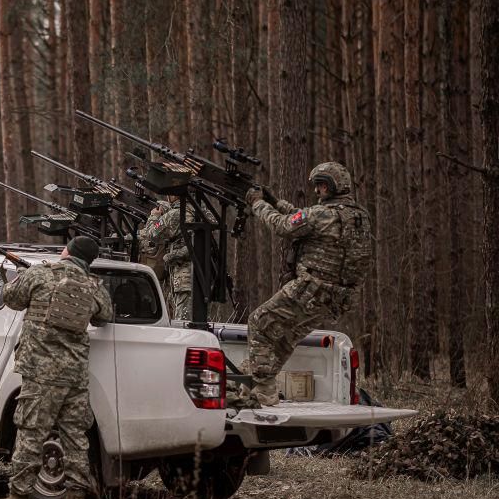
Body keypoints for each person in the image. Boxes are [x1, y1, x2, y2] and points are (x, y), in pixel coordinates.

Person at [240, 162, 372, 407]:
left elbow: (285, 225)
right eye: (317, 185)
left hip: (310, 290)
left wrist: (257, 203)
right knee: (285, 337)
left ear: (335, 186)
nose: (318, 190)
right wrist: (276, 201)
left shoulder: (322, 215)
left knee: (258, 322)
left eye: (322, 185)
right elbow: (303, 217)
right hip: (338, 298)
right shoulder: (358, 216)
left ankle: (264, 389)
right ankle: (259, 384)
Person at [0, 236, 113, 499]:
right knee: (75, 436)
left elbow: (10, 299)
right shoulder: (93, 285)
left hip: (40, 371)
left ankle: (18, 498)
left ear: (67, 251)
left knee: (30, 433)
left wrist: (18, 277)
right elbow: (105, 315)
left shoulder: (39, 273)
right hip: (74, 374)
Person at [141, 195, 211, 321]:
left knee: (184, 323)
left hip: (184, 276)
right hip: (200, 274)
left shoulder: (175, 214)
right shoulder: (198, 210)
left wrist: (155, 216)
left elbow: (151, 234)